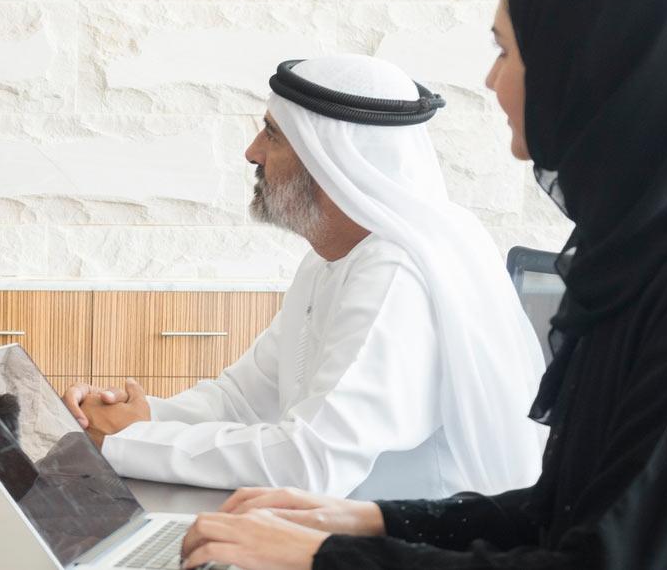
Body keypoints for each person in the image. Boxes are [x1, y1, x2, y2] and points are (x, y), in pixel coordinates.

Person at [178, 0, 667, 569]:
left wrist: (324, 557)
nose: (491, 81)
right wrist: (366, 520)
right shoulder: (648, 249)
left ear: (597, 65)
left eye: (508, 50)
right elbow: (560, 511)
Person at [61, 55, 547, 500]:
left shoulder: (397, 274)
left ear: (330, 159)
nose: (252, 153)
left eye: (271, 134)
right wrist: (136, 417)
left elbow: (312, 460)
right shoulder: (329, 260)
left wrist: (128, 441)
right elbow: (243, 400)